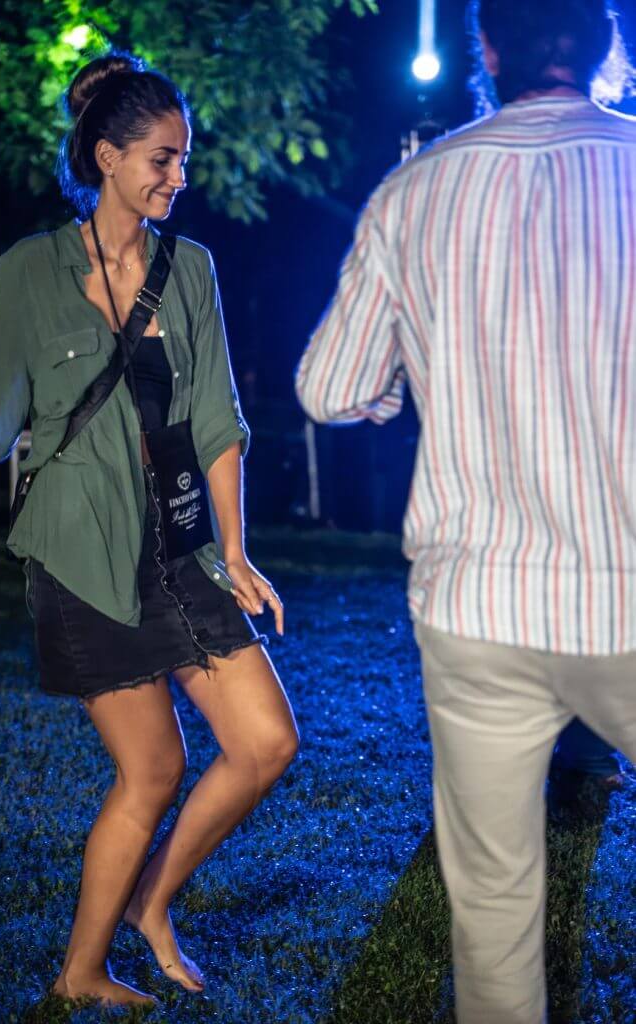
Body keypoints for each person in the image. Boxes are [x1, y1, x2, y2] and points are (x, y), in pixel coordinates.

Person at [295, 2, 635, 1021]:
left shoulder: (414, 190)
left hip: (478, 601)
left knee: (491, 904)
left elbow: (329, 388)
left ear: (485, 51)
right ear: (608, 47)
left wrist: (400, 381)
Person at [0, 53, 299, 1009]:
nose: (179, 176)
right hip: (80, 550)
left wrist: (234, 550)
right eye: (162, 158)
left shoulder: (191, 271)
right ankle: (80, 971)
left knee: (266, 741)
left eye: (183, 158)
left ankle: (151, 901)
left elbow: (218, 420)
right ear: (107, 157)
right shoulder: (33, 269)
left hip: (179, 547)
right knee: (154, 769)